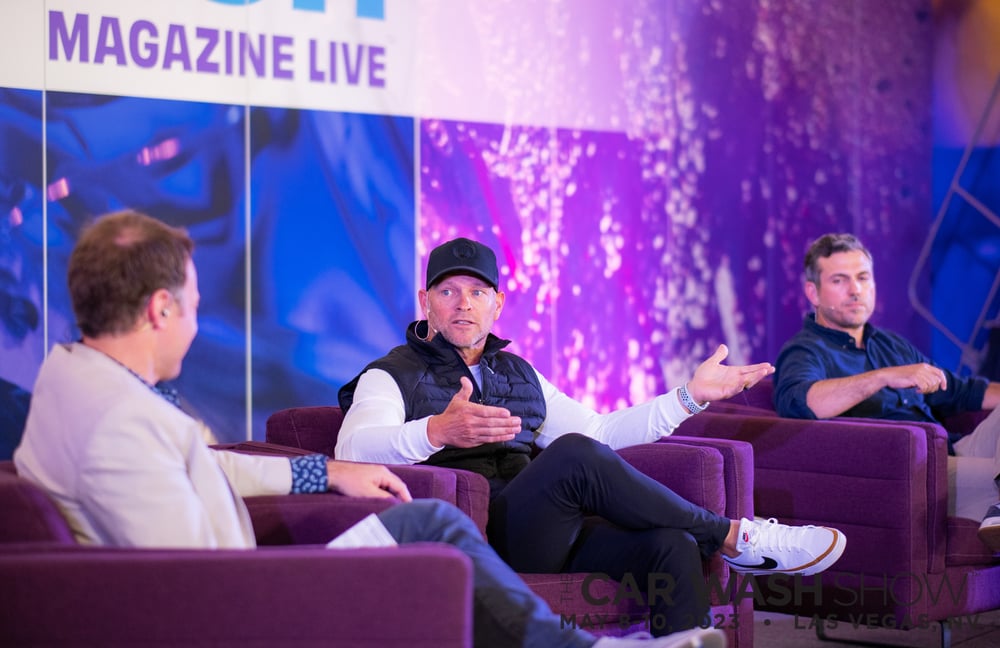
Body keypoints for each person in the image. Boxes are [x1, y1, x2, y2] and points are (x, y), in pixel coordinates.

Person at [12, 210, 725, 648]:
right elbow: (195, 588)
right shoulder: (118, 425)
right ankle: (720, 542)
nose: (198, 326)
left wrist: (325, 473)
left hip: (242, 575)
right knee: (457, 524)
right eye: (197, 307)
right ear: (162, 309)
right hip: (250, 598)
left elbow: (207, 465)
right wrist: (432, 435)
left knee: (433, 527)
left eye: (478, 294)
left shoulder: (83, 381)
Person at [336, 237, 848, 638]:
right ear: (426, 301)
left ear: (498, 304)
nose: (462, 304)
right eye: (448, 292)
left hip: (545, 532)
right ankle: (734, 535)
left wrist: (689, 397)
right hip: (478, 538)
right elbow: (351, 450)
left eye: (477, 292)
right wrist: (435, 430)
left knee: (671, 545)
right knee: (574, 455)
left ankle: (710, 553)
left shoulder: (521, 373)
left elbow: (602, 431)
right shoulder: (390, 375)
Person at [773, 232, 1000, 550]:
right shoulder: (805, 351)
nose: (855, 290)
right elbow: (802, 403)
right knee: (992, 476)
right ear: (813, 292)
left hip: (951, 451)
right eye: (839, 280)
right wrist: (882, 377)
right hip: (912, 473)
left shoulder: (888, 343)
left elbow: (959, 391)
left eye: (863, 278)